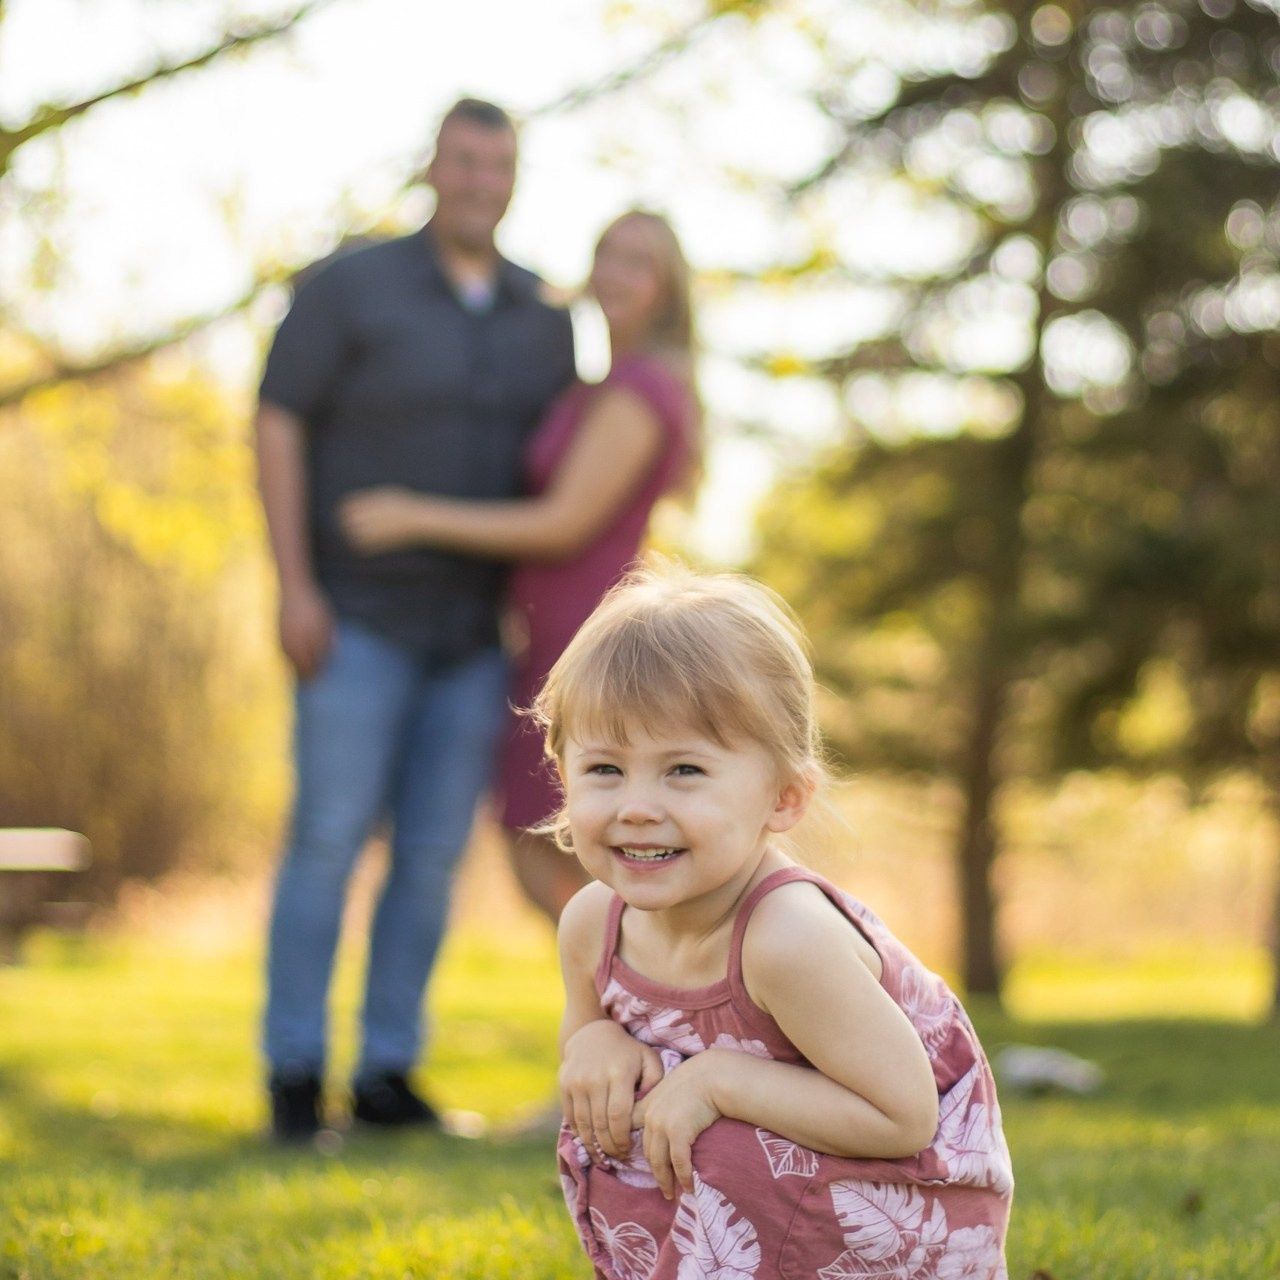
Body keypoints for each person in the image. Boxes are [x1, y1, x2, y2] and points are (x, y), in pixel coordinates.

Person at [535, 561, 1014, 1279]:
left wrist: (718, 1079)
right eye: (605, 768)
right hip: (770, 1198)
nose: (636, 804)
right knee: (610, 1108)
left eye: (684, 771)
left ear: (783, 799)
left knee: (716, 1129)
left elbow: (905, 1119)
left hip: (902, 1209)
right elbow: (585, 1039)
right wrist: (595, 1042)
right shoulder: (591, 922)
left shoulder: (786, 938)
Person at [254, 97, 576, 1142]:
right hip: (353, 621)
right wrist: (294, 583)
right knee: (328, 840)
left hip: (474, 641)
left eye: (500, 163)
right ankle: (294, 1075)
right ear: (435, 168)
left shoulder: (544, 315)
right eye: (465, 160)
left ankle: (387, 1073)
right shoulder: (351, 286)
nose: (482, 179)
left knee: (432, 856)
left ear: (516, 177)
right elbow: (275, 421)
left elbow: (565, 467)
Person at [340, 209, 699, 927]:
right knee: (549, 846)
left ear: (666, 288)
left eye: (638, 262)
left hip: (584, 642)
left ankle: (646, 1015)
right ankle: (635, 1019)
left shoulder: (640, 388)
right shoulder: (601, 382)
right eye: (607, 253)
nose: (615, 273)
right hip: (547, 638)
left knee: (562, 848)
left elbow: (563, 524)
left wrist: (414, 515)